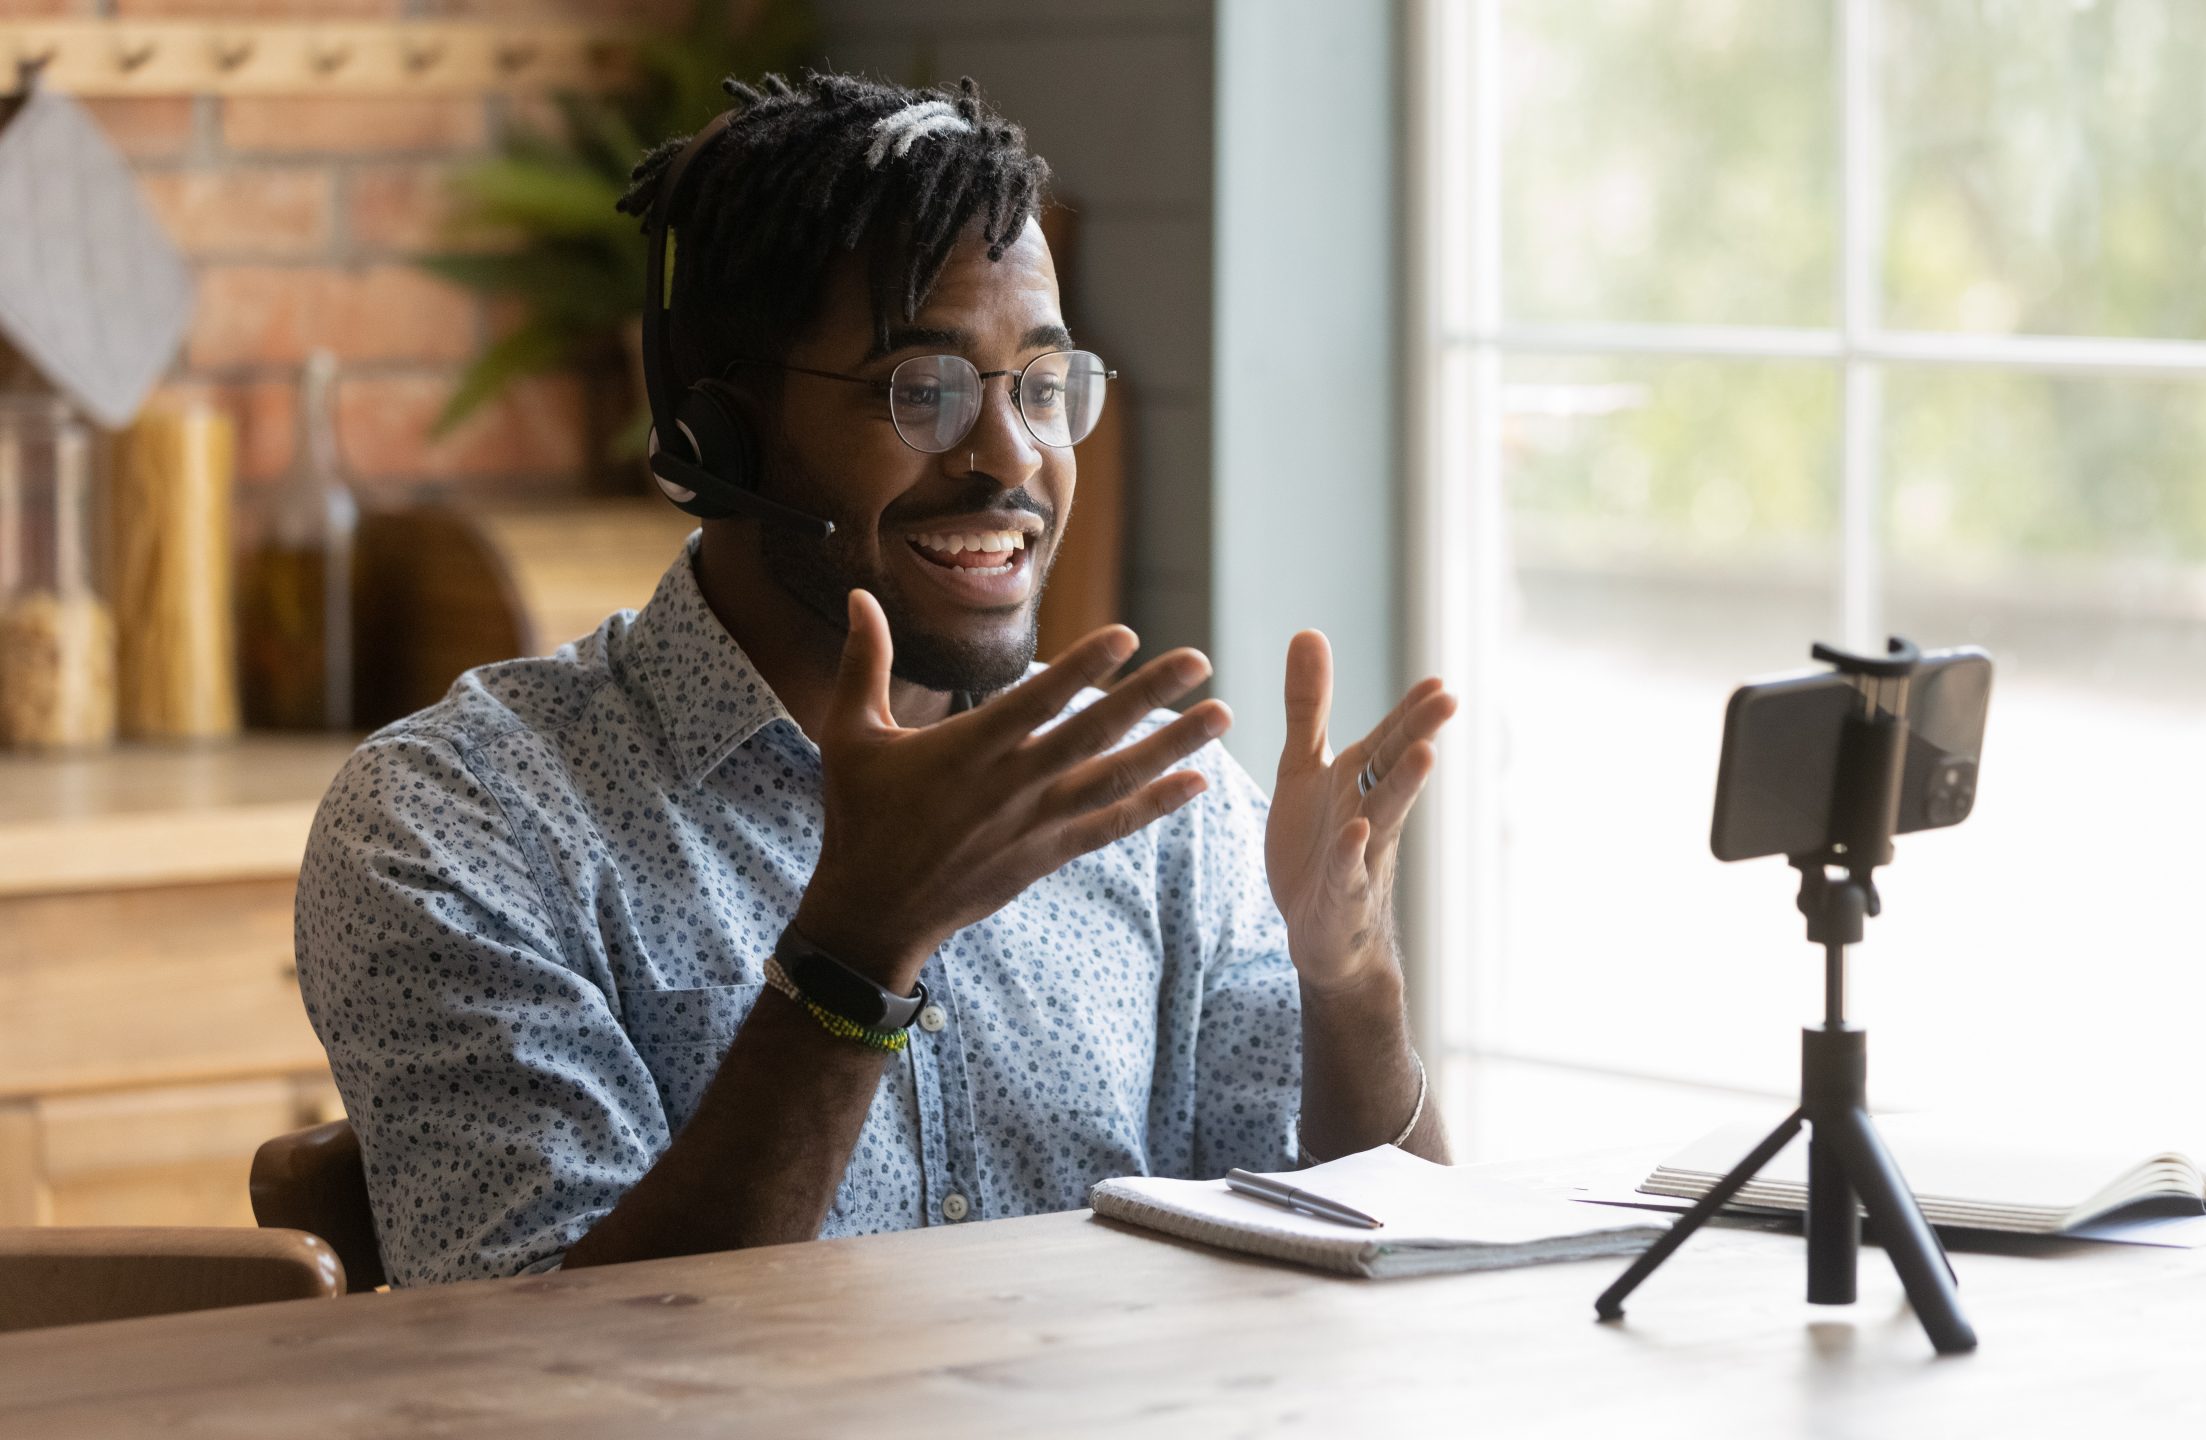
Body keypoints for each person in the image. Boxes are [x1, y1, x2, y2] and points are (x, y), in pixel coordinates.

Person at [292, 72, 1456, 1286]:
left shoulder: (1166, 805)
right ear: (716, 431)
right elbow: (527, 1377)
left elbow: (1372, 1267)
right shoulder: (464, 828)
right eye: (924, 390)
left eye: (1044, 389)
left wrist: (1351, 980)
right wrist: (857, 944)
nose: (1013, 456)